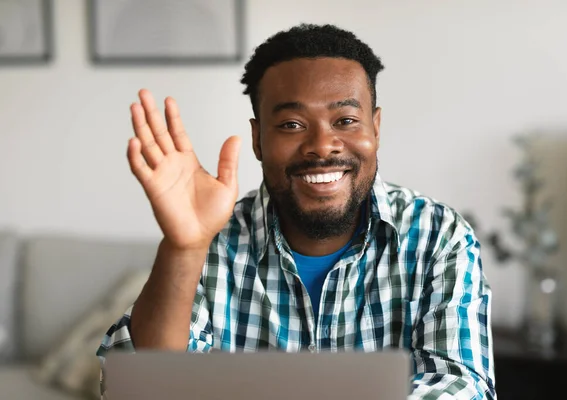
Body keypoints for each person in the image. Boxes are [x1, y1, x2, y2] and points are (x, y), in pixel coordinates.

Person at [97, 24, 496, 399]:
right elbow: (137, 389)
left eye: (346, 119)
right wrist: (184, 248)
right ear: (258, 139)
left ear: (375, 128)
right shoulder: (213, 241)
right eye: (291, 124)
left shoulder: (438, 236)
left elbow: (461, 385)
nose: (322, 146)